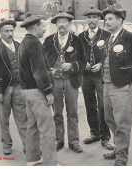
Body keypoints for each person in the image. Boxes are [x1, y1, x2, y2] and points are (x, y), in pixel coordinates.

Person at [101, 4, 132, 166]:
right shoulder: (109, 37)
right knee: (109, 118)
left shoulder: (129, 37)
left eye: (110, 19)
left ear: (120, 20)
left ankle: (121, 156)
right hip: (107, 83)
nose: (106, 22)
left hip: (123, 85)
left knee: (122, 121)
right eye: (105, 19)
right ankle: (117, 147)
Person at [43, 11, 86, 153]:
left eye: (64, 21)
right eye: (59, 22)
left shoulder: (77, 40)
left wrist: (73, 65)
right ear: (56, 25)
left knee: (72, 112)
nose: (62, 24)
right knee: (57, 113)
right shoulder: (49, 40)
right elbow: (43, 61)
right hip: (55, 81)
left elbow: (83, 60)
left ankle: (74, 141)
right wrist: (49, 70)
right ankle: (58, 140)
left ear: (69, 24)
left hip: (71, 81)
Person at [18, 13, 57, 166]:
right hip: (37, 91)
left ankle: (33, 158)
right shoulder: (34, 43)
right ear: (35, 27)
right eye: (43, 26)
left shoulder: (23, 43)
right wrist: (48, 92)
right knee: (47, 129)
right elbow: (38, 71)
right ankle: (50, 163)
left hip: (26, 91)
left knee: (32, 126)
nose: (45, 29)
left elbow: (26, 70)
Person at [0, 19, 27, 156]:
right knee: (4, 119)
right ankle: (6, 144)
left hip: (19, 87)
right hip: (4, 89)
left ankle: (28, 146)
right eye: (6, 31)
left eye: (11, 30)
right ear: (0, 33)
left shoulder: (19, 45)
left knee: (22, 118)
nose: (10, 33)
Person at [78, 6, 114, 150]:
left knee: (103, 105)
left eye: (94, 17)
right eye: (89, 17)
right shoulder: (80, 36)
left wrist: (100, 64)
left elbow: (109, 54)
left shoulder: (106, 35)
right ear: (86, 19)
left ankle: (105, 137)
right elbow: (77, 55)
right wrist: (83, 63)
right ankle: (95, 133)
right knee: (89, 104)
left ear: (99, 19)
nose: (92, 20)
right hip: (86, 76)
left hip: (100, 75)